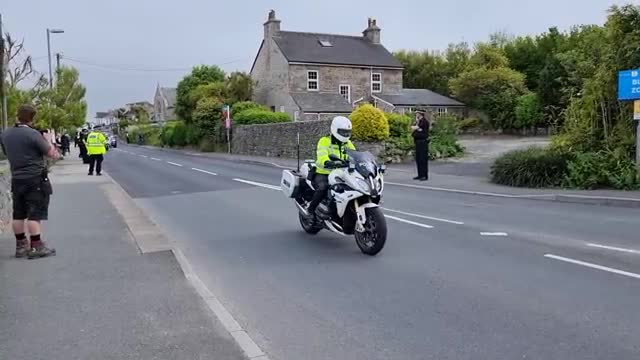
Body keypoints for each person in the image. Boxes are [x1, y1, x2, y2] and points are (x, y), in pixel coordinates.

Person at [0, 104, 60, 259]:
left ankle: (21, 246)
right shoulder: (33, 135)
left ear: (17, 116)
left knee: (18, 214)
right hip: (35, 179)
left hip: (17, 179)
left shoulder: (5, 134)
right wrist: (50, 140)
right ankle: (36, 246)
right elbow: (53, 154)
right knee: (34, 214)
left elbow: (7, 153)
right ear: (33, 118)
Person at [307, 116, 356, 215]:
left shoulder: (348, 143)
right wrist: (327, 162)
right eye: (343, 132)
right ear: (334, 129)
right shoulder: (324, 141)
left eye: (347, 132)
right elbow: (321, 156)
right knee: (323, 188)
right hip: (324, 172)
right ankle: (310, 210)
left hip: (342, 173)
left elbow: (354, 154)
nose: (346, 134)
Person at [412, 112, 430, 181]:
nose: (416, 115)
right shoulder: (419, 122)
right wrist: (416, 128)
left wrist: (417, 128)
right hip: (418, 142)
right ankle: (420, 174)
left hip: (423, 142)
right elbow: (415, 130)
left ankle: (424, 175)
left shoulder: (424, 122)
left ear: (421, 114)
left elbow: (421, 131)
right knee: (418, 159)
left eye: (417, 113)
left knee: (423, 159)